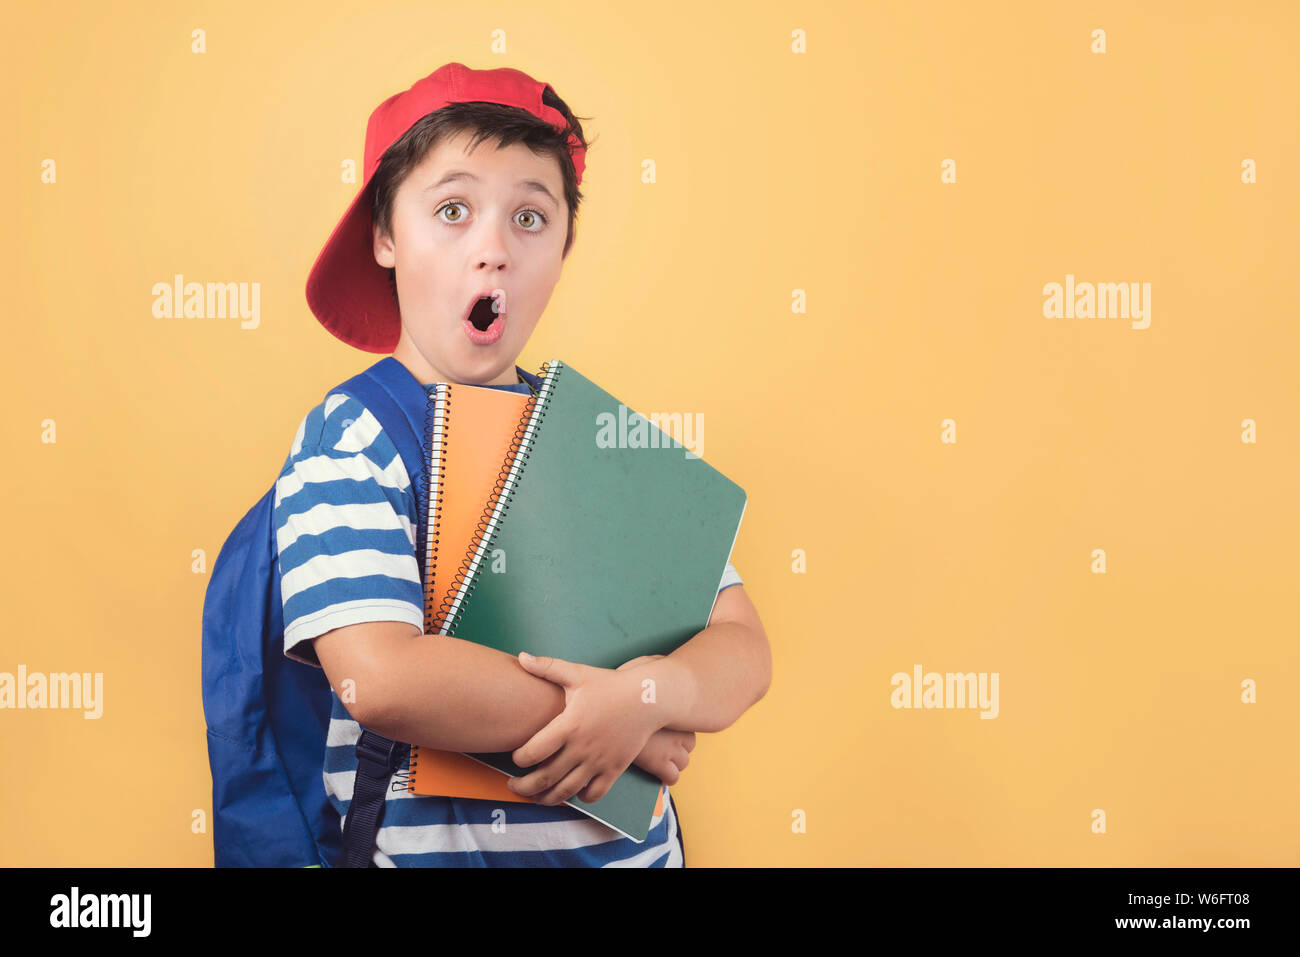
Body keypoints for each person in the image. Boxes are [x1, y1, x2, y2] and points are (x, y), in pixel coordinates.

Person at [275, 61, 771, 866]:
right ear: (386, 236)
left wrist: (656, 694)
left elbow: (743, 645)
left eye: (530, 219)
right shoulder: (352, 437)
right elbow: (383, 678)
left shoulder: (601, 440)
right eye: (452, 210)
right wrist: (606, 712)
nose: (493, 251)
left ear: (564, 249)